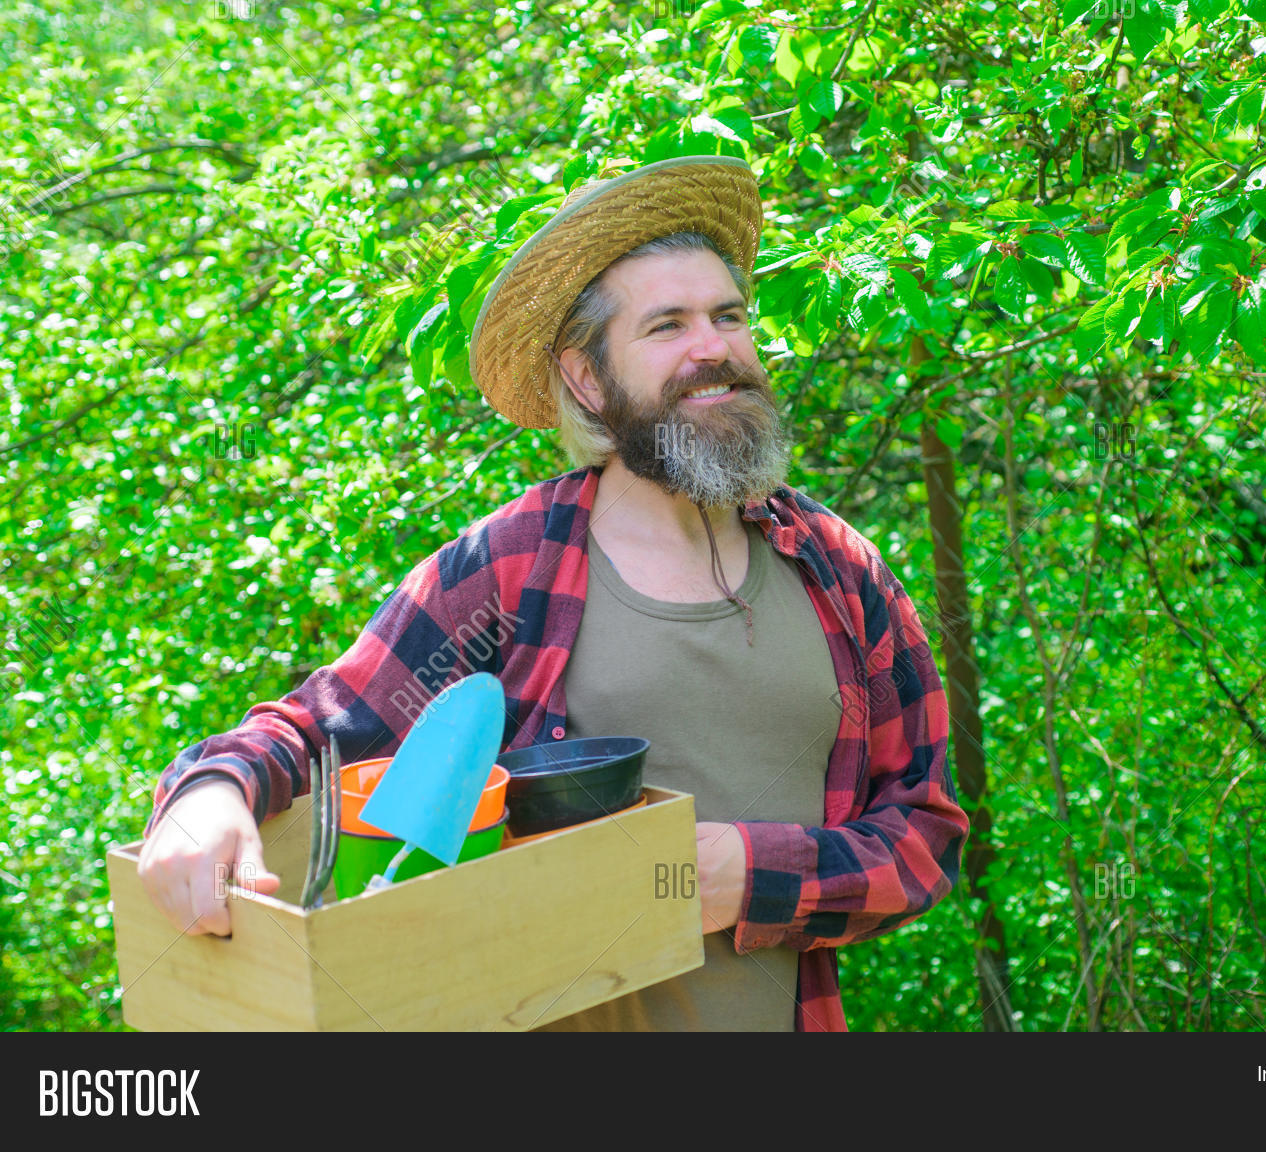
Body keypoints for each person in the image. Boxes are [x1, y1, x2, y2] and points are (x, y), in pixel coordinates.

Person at [139, 155, 968, 1031]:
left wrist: (747, 875)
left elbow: (924, 833)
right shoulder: (514, 567)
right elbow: (314, 733)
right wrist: (208, 794)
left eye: (729, 317)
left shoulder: (836, 568)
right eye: (668, 326)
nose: (714, 347)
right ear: (585, 379)